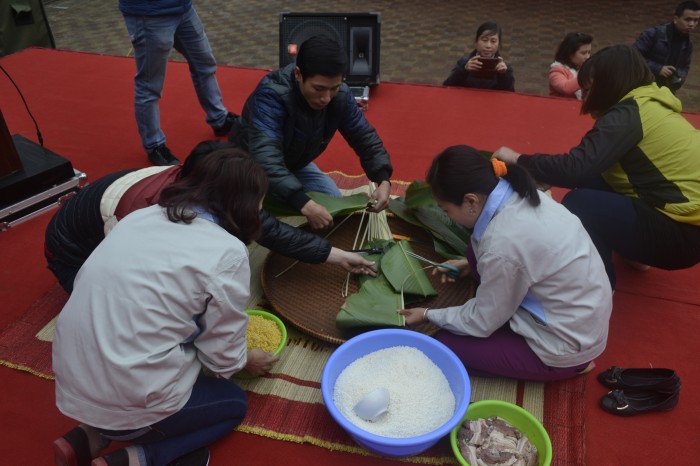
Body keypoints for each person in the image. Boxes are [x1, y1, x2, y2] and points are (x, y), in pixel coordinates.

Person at [52, 149, 279, 466]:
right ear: (243, 205)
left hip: (72, 374)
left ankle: (90, 436)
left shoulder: (139, 217)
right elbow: (222, 356)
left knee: (150, 345)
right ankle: (137, 458)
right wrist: (246, 360)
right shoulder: (227, 251)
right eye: (260, 201)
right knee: (232, 404)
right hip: (133, 393)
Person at [44, 140, 377, 294]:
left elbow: (266, 228)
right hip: (76, 256)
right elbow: (126, 282)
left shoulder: (197, 189)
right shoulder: (144, 216)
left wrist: (337, 256)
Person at [398, 146, 612, 382]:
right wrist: (470, 265)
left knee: (442, 345)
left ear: (471, 200)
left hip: (566, 346)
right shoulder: (518, 191)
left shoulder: (502, 245)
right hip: (579, 311)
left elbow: (483, 321)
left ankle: (571, 367)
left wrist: (428, 314)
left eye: (447, 210)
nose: (448, 216)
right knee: (473, 252)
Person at [494, 45, 700, 288]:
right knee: (598, 178)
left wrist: (518, 159)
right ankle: (635, 253)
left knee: (580, 204)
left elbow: (576, 168)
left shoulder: (627, 114)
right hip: (683, 224)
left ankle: (600, 288)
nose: (586, 96)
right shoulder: (648, 101)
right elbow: (589, 167)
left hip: (681, 235)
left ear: (611, 81)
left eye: (590, 87)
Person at [227, 35, 393, 230]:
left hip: (294, 164)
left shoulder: (340, 95)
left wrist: (383, 179)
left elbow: (363, 136)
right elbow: (265, 158)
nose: (326, 98)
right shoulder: (272, 95)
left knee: (332, 202)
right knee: (250, 222)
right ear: (298, 74)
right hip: (249, 167)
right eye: (319, 89)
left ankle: (285, 194)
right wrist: (304, 203)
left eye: (334, 88)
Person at [118, 0, 238, 166]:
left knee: (204, 64)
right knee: (149, 84)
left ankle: (220, 119)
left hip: (182, 9)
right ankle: (154, 145)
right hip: (150, 14)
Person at [632, 1, 700, 93]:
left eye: (696, 20)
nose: (692, 24)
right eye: (687, 19)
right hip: (643, 86)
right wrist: (658, 69)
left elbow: (685, 66)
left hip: (667, 91)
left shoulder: (688, 44)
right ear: (676, 19)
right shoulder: (653, 34)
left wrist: (679, 78)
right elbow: (633, 56)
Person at [442, 22, 515, 92]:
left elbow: (510, 96)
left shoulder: (505, 69)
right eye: (484, 40)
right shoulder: (464, 63)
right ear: (476, 42)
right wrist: (464, 70)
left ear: (499, 44)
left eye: (493, 41)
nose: (488, 46)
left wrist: (504, 75)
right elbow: (446, 88)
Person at [549, 32, 593, 100]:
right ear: (570, 54)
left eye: (589, 52)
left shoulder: (580, 68)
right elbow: (565, 88)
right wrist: (586, 75)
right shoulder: (556, 71)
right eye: (583, 53)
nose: (587, 57)